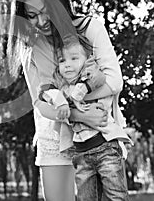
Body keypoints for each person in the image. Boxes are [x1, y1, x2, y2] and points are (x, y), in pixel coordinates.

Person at [7, 0, 128, 201]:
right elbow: (40, 105)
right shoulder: (30, 50)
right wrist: (79, 115)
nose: (40, 22)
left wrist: (82, 105)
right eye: (32, 16)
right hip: (55, 137)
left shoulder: (89, 28)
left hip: (99, 134)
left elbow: (114, 80)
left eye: (45, 12)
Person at [40, 35, 132, 201]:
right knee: (86, 198)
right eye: (62, 60)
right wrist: (61, 102)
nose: (67, 64)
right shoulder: (62, 88)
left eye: (74, 58)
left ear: (87, 60)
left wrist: (81, 89)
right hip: (81, 154)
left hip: (106, 148)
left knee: (116, 196)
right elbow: (44, 92)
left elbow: (99, 78)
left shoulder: (91, 76)